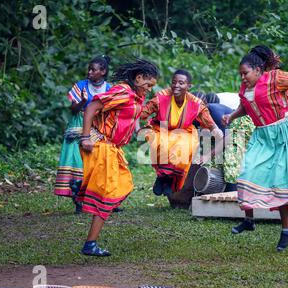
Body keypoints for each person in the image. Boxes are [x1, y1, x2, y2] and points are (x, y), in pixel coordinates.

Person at [222, 45, 288, 252]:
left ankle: (286, 231)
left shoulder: (275, 78)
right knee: (247, 172)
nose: (243, 77)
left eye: (245, 73)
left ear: (257, 70)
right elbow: (246, 106)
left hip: (284, 133)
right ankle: (249, 220)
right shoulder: (245, 87)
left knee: (279, 181)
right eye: (241, 74)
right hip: (263, 135)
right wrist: (232, 116)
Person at [77, 58, 159, 256]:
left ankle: (82, 189)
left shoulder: (134, 96)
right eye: (148, 84)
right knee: (110, 192)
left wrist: (141, 129)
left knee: (124, 185)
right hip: (101, 145)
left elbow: (129, 118)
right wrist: (86, 137)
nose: (149, 89)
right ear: (138, 78)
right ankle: (90, 244)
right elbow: (90, 108)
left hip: (113, 148)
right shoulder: (122, 91)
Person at [141, 70, 223, 197]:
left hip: (183, 132)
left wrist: (216, 131)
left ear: (189, 86)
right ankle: (162, 177)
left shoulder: (196, 103)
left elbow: (209, 121)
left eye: (181, 83)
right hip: (161, 129)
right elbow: (143, 113)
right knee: (161, 142)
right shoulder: (161, 97)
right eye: (174, 82)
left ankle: (169, 180)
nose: (176, 86)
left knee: (185, 145)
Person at [54, 56, 112, 214]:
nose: (90, 72)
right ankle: (78, 200)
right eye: (89, 69)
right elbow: (72, 109)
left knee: (98, 161)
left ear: (103, 71)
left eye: (93, 70)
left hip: (98, 126)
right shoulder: (81, 86)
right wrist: (82, 102)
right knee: (77, 162)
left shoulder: (109, 89)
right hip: (78, 125)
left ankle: (104, 199)